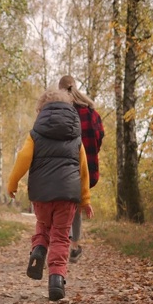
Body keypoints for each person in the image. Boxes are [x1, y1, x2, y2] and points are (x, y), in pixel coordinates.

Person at [8, 88, 94, 301]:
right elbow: (83, 170)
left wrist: (13, 182)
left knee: (44, 226)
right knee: (61, 236)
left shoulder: (35, 134)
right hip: (67, 196)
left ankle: (38, 248)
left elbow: (23, 158)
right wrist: (86, 199)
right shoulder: (76, 136)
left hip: (41, 195)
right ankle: (56, 279)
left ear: (41, 111)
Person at [58, 75, 105, 264]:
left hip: (64, 165)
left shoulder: (61, 112)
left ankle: (63, 243)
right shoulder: (91, 112)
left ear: (60, 89)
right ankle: (74, 245)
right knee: (76, 204)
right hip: (87, 167)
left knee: (63, 203)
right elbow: (100, 135)